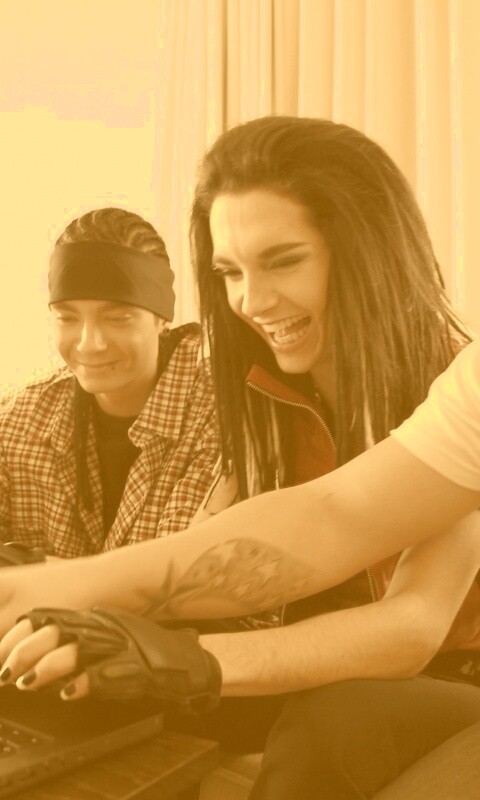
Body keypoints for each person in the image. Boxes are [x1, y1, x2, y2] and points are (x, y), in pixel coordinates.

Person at [1, 119, 480, 798]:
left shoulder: (453, 386)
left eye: (283, 261)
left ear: (367, 251)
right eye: (229, 272)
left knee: (335, 720)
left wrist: (185, 661)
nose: (250, 301)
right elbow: (221, 558)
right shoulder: (259, 382)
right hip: (315, 661)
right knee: (83, 688)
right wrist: (51, 593)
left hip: (442, 677)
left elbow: (413, 627)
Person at [0, 206, 220, 557]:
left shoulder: (220, 413)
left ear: (162, 318)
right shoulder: (16, 421)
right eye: (67, 318)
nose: (89, 343)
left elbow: (179, 571)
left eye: (117, 318)